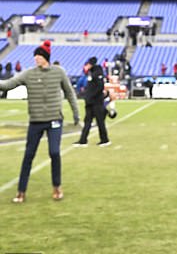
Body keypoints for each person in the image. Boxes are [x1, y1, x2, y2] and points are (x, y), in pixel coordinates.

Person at [0, 40, 80, 203]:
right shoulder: (29, 73)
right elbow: (8, 85)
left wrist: (76, 113)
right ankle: (21, 191)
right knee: (28, 155)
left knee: (54, 152)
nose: (36, 58)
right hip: (36, 121)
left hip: (54, 120)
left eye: (39, 55)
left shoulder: (59, 72)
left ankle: (57, 187)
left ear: (46, 57)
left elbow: (70, 93)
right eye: (35, 56)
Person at [74, 57, 110, 147]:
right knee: (87, 121)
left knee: (100, 121)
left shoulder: (97, 73)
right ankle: (83, 140)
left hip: (97, 102)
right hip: (90, 102)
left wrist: (91, 96)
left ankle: (104, 139)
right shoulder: (91, 73)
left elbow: (99, 87)